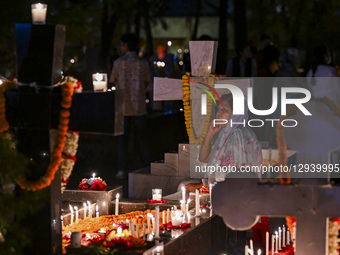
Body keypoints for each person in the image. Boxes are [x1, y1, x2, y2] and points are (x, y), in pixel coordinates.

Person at [185, 93, 263, 192]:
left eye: (224, 110)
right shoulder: (226, 133)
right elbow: (203, 158)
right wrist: (210, 133)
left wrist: (200, 185)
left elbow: (231, 174)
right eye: (218, 109)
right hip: (224, 188)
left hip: (235, 192)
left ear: (236, 114)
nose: (219, 113)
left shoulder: (238, 135)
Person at [109, 33, 150, 179]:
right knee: (142, 139)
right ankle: (147, 168)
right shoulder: (143, 62)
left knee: (122, 140)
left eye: (122, 44)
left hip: (123, 106)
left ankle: (122, 170)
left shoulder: (119, 62)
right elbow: (147, 81)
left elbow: (113, 80)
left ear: (126, 45)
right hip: (139, 106)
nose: (120, 47)